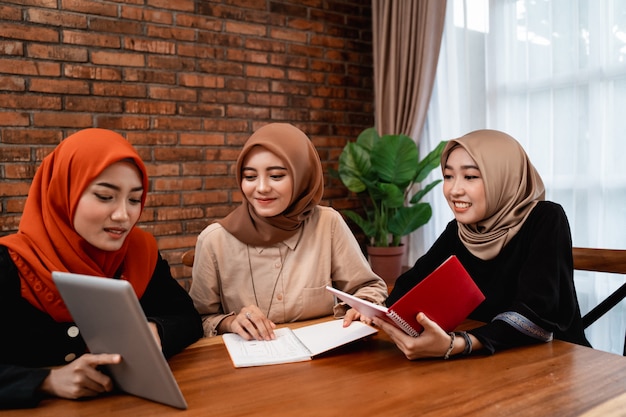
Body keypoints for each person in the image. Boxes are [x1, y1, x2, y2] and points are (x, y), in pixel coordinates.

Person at [0, 128, 203, 409]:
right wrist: (46, 381)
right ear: (63, 193)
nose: (123, 215)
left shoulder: (139, 252)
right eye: (105, 196)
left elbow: (186, 316)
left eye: (134, 200)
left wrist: (154, 331)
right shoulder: (10, 265)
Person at [372, 129, 591, 360]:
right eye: (448, 176)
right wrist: (373, 314)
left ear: (503, 177)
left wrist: (456, 344)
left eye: (470, 177)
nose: (454, 190)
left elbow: (536, 313)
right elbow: (412, 282)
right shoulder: (460, 230)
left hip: (552, 361)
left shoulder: (545, 218)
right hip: (486, 363)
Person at [189, 123, 388, 341]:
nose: (262, 187)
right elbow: (196, 319)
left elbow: (369, 287)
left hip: (326, 362)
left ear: (302, 176)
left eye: (276, 176)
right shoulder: (214, 240)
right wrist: (230, 322)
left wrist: (362, 307)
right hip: (248, 366)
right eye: (250, 176)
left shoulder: (327, 223)